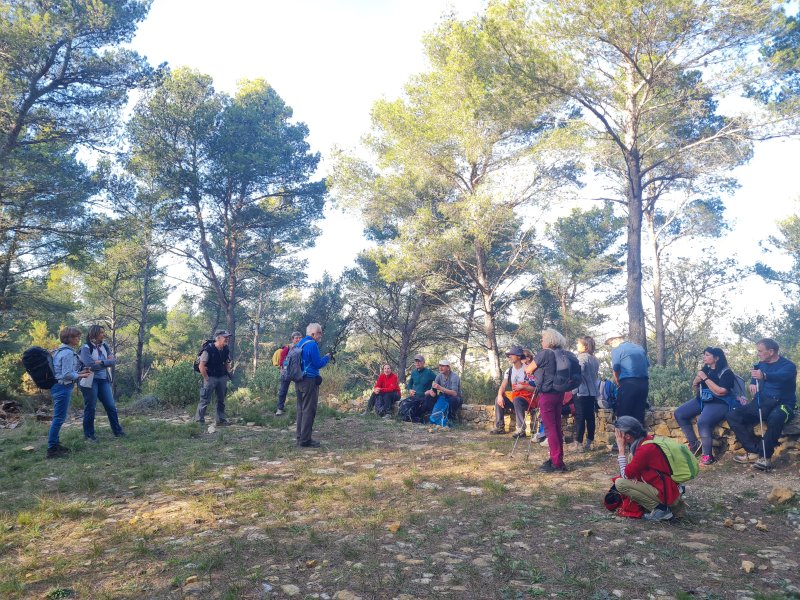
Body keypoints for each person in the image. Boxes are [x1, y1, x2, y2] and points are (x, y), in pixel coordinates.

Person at [728, 338, 797, 471]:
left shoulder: (788, 366)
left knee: (776, 418)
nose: (758, 354)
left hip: (783, 404)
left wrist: (764, 376)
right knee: (733, 415)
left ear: (771, 351)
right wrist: (753, 383)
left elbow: (780, 376)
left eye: (760, 351)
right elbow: (756, 375)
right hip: (763, 401)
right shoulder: (761, 363)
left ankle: (765, 457)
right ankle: (753, 451)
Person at [674, 347, 739, 466]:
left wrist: (705, 378)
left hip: (719, 402)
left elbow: (721, 392)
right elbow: (695, 388)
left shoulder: (726, 372)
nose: (704, 357)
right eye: (704, 355)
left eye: (707, 355)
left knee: (703, 421)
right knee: (679, 413)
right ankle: (694, 444)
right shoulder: (706, 370)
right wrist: (696, 381)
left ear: (716, 358)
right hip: (703, 399)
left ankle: (708, 456)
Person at [613, 416, 684, 522]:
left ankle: (661, 510)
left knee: (620, 483)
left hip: (666, 493)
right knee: (631, 459)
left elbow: (625, 476)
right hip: (669, 489)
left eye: (617, 433)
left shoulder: (644, 449)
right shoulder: (647, 439)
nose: (616, 436)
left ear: (627, 436)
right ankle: (661, 507)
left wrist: (621, 449)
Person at [524, 328, 569, 473]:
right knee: (556, 427)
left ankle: (556, 462)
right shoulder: (561, 353)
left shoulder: (545, 353)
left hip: (547, 394)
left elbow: (528, 370)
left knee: (550, 429)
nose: (541, 341)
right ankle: (557, 458)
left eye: (543, 338)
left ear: (549, 340)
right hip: (559, 393)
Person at [47, 327, 93, 458]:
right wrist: (81, 375)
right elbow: (66, 374)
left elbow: (65, 372)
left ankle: (55, 444)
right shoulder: (67, 353)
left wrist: (80, 372)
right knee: (59, 418)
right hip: (62, 387)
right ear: (70, 338)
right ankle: (52, 449)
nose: (79, 339)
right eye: (77, 337)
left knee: (58, 417)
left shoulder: (60, 350)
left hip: (58, 386)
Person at [79, 325, 124, 441]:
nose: (103, 334)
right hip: (90, 381)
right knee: (91, 408)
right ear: (94, 334)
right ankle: (89, 435)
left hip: (104, 380)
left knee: (111, 406)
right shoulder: (85, 348)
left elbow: (113, 361)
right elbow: (90, 365)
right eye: (101, 333)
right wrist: (106, 362)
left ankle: (118, 431)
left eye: (103, 332)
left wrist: (101, 362)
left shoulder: (105, 346)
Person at [295, 323, 332, 447]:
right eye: (319, 332)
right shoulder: (312, 345)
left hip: (298, 379)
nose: (321, 335)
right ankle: (305, 440)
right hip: (309, 380)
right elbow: (317, 364)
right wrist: (327, 357)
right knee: (309, 410)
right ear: (312, 334)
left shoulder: (300, 343)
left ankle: (300, 436)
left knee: (301, 409)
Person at [606, 333, 649, 426]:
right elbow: (647, 365)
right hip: (644, 384)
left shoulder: (617, 349)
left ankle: (623, 435)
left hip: (628, 384)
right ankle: (639, 435)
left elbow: (616, 369)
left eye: (610, 343)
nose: (611, 345)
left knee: (623, 415)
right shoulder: (639, 348)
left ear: (615, 340)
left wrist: (617, 382)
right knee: (639, 415)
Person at [491, 346, 534, 437]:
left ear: (519, 356)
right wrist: (500, 395)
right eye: (508, 355)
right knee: (499, 399)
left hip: (527, 399)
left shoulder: (528, 369)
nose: (509, 357)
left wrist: (523, 387)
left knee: (517, 399)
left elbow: (535, 388)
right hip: (515, 397)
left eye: (511, 354)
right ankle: (499, 427)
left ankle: (521, 430)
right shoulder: (509, 371)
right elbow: (503, 385)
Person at [195, 330, 232, 426]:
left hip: (222, 377)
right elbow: (201, 366)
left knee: (221, 400)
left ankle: (221, 420)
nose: (227, 339)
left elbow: (227, 362)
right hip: (210, 377)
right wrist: (206, 378)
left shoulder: (226, 349)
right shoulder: (208, 349)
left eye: (227, 337)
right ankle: (199, 421)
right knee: (205, 399)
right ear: (218, 338)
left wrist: (228, 374)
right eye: (225, 337)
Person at [572, 335, 600, 452]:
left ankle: (578, 444)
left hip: (581, 392)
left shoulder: (581, 357)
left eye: (579, 343)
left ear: (586, 347)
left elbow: (580, 369)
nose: (577, 345)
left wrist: (572, 378)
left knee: (580, 417)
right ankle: (590, 441)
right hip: (592, 392)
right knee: (590, 417)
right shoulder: (595, 359)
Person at [401, 354, 436, 419]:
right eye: (416, 361)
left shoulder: (429, 372)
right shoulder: (413, 372)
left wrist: (431, 390)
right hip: (414, 397)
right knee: (403, 403)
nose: (417, 363)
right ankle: (409, 418)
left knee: (420, 407)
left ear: (423, 363)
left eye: (419, 361)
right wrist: (410, 390)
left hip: (424, 397)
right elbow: (409, 384)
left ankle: (417, 418)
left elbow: (438, 381)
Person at [275, 331, 302, 416]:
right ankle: (280, 409)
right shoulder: (288, 348)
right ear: (292, 339)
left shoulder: (302, 347)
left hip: (297, 372)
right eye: (296, 338)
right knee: (283, 391)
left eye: (299, 338)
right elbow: (282, 358)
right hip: (286, 373)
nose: (298, 339)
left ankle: (301, 409)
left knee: (300, 391)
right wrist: (282, 368)